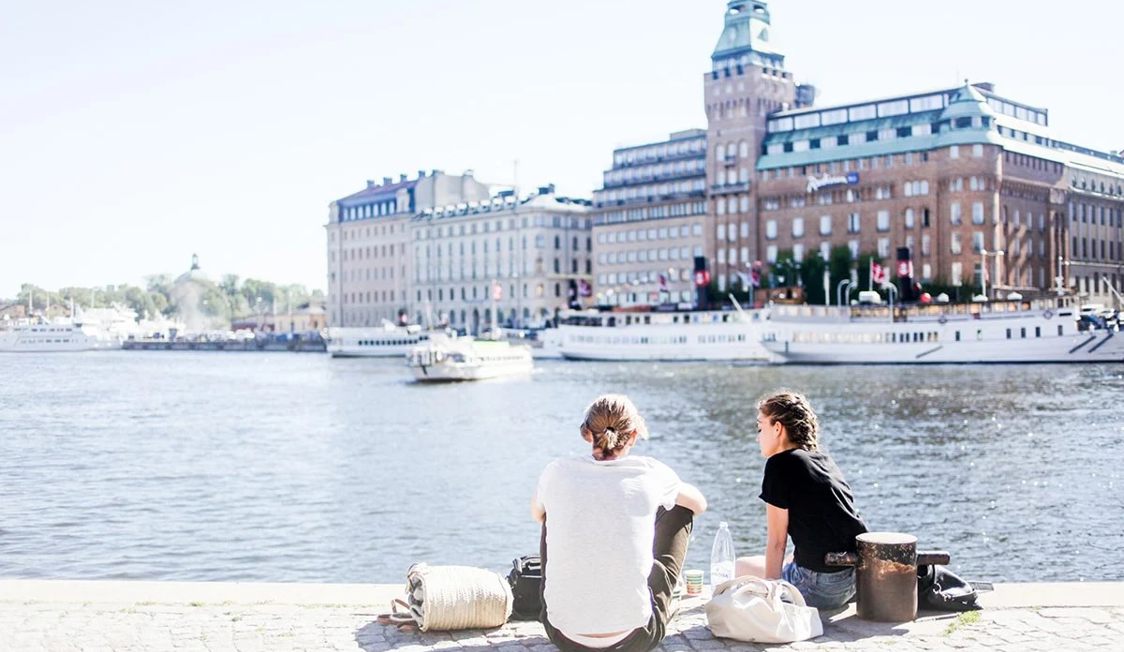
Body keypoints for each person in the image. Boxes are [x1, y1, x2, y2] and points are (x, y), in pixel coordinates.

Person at [531, 394, 707, 651]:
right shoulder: (650, 472)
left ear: (586, 433)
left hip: (563, 635)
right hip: (635, 638)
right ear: (634, 435)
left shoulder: (556, 471)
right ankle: (663, 598)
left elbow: (537, 515)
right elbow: (699, 504)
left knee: (550, 512)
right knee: (680, 508)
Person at [734, 391, 867, 610]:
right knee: (787, 560)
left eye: (760, 427)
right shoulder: (821, 459)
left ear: (777, 428)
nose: (758, 436)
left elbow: (777, 541)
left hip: (819, 587)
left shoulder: (779, 465)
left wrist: (771, 595)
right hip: (853, 580)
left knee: (741, 567)